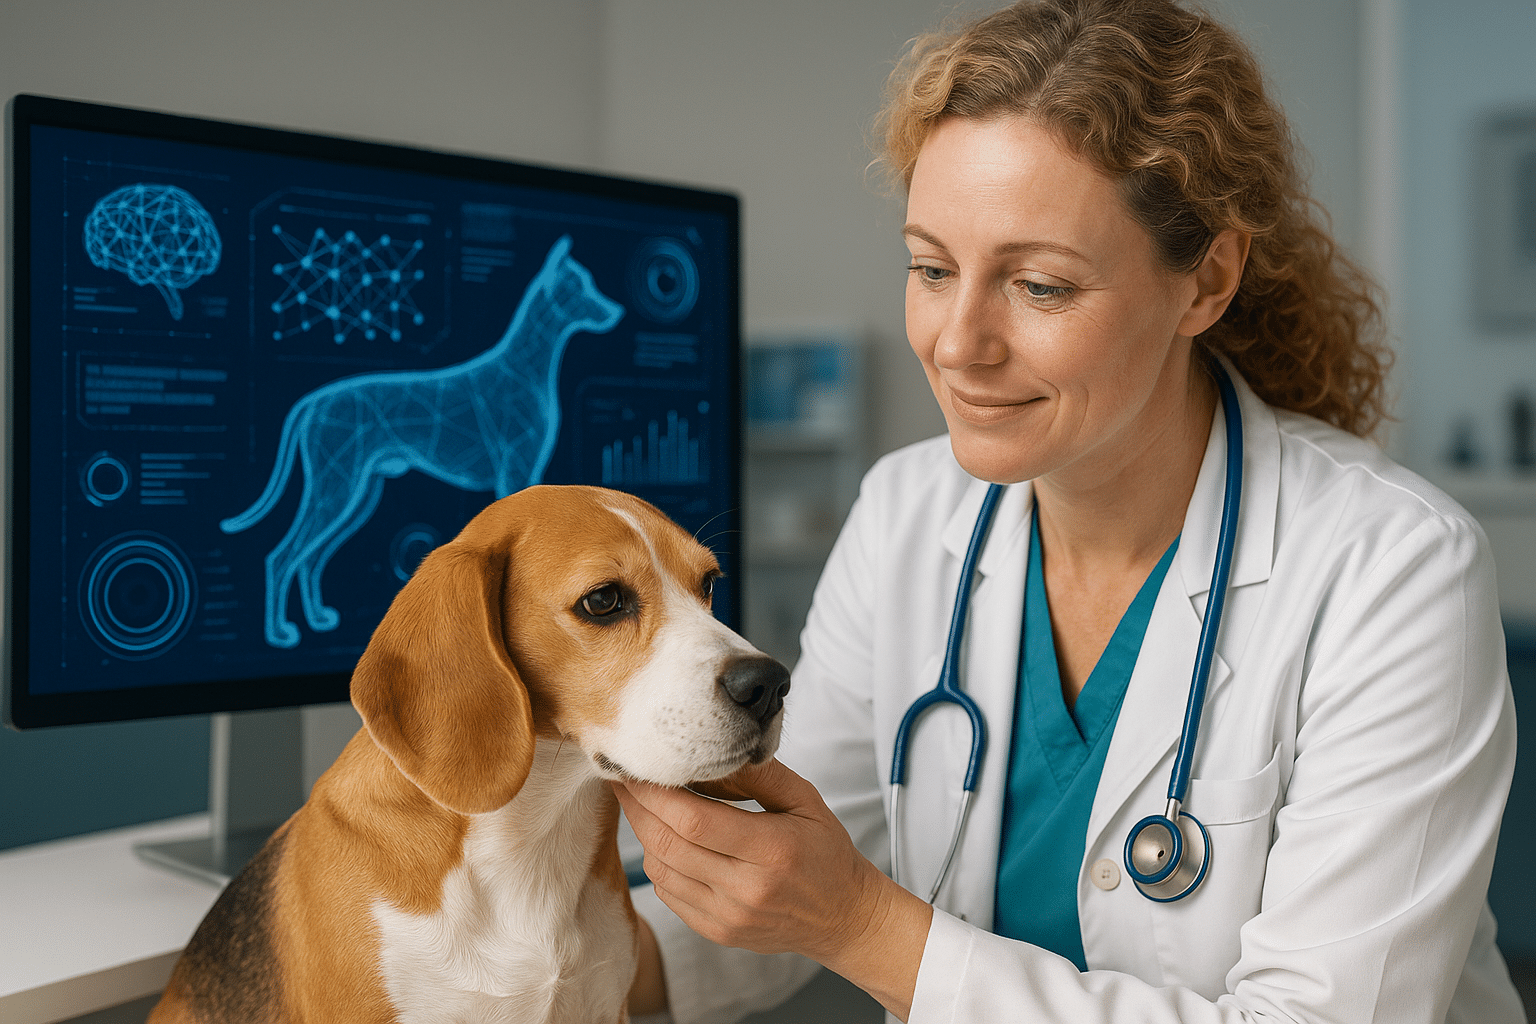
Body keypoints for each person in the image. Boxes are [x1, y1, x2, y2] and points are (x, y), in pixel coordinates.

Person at [612, 1, 1526, 1021]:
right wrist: (526, 969)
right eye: (931, 268)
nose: (958, 343)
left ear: (1207, 281)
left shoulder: (1394, 567)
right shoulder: (906, 515)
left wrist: (863, 927)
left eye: (1039, 285)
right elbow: (786, 881)